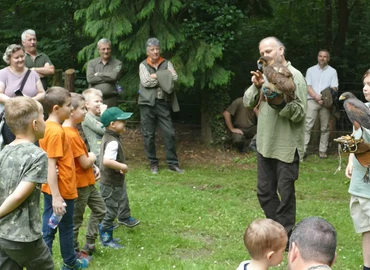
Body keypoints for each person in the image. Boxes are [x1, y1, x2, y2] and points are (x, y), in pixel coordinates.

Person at [243, 37, 307, 238]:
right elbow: (247, 102)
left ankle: (285, 238)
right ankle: (281, 232)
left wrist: (278, 103)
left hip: (286, 147)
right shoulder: (264, 75)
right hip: (265, 145)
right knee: (264, 192)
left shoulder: (295, 76)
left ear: (281, 50)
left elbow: (300, 112)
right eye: (262, 53)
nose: (265, 56)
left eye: (269, 51)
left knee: (285, 196)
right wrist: (256, 86)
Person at [0, 97, 54, 270]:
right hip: (23, 237)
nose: (46, 122)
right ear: (35, 124)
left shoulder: (4, 151)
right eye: (43, 117)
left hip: (2, 235)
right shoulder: (38, 155)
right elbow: (19, 195)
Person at [39, 87, 88, 269]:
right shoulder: (56, 132)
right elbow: (51, 164)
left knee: (49, 228)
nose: (71, 109)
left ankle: (49, 263)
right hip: (61, 191)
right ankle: (69, 263)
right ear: (56, 109)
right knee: (60, 229)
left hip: (54, 189)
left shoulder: (49, 127)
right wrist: (58, 197)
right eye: (68, 106)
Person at [62, 93, 106, 256]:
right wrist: (93, 155)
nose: (85, 112)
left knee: (100, 209)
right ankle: (73, 252)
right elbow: (84, 161)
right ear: (72, 111)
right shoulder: (69, 134)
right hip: (79, 185)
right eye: (82, 109)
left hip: (88, 182)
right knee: (76, 220)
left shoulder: (73, 131)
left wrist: (93, 165)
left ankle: (89, 243)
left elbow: (83, 159)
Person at [138, 37, 183, 174]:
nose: (155, 52)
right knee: (148, 134)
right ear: (147, 52)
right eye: (152, 49)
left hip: (163, 102)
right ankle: (153, 163)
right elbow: (146, 82)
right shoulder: (142, 65)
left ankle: (173, 164)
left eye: (157, 49)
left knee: (169, 133)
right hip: (147, 104)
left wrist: (155, 76)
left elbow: (174, 78)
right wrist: (164, 77)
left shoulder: (166, 62)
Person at [98, 107, 140, 249]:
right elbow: (107, 161)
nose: (125, 123)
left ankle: (107, 236)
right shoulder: (113, 141)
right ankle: (106, 239)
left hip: (107, 181)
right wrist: (123, 167)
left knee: (110, 209)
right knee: (110, 212)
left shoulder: (108, 137)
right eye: (122, 121)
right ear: (112, 124)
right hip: (110, 183)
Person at [344, 69, 370, 270]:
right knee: (366, 229)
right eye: (365, 84)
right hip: (361, 184)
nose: (366, 88)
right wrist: (351, 161)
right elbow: (356, 137)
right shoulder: (360, 108)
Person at [304, 50, 339, 159]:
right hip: (311, 101)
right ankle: (303, 150)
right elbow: (307, 85)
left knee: (325, 128)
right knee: (307, 126)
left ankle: (322, 151)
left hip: (326, 103)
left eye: (325, 57)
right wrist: (316, 96)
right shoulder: (310, 70)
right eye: (320, 56)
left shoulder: (333, 71)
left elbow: (334, 88)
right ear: (317, 57)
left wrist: (323, 98)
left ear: (328, 59)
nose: (322, 58)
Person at [86, 38, 123, 108]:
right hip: (94, 101)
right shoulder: (91, 63)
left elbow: (114, 77)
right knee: (95, 119)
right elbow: (90, 79)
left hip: (111, 100)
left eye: (108, 49)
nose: (106, 51)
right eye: (103, 49)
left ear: (111, 49)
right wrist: (109, 78)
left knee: (110, 119)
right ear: (98, 49)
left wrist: (99, 74)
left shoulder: (118, 63)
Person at [81, 88, 107, 162]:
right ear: (87, 104)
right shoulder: (87, 117)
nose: (100, 104)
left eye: (101, 101)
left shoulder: (99, 117)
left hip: (105, 150)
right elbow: (104, 130)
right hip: (98, 153)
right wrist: (104, 114)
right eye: (96, 101)